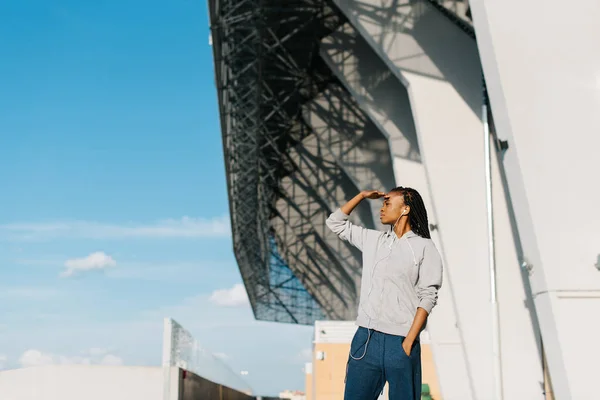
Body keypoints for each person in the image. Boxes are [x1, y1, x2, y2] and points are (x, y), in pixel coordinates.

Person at [325, 187, 443, 400]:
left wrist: (408, 341)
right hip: (365, 339)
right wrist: (361, 196)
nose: (381, 208)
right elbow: (334, 223)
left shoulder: (425, 247)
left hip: (400, 342)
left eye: (388, 203)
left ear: (405, 209)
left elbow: (428, 296)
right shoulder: (374, 240)